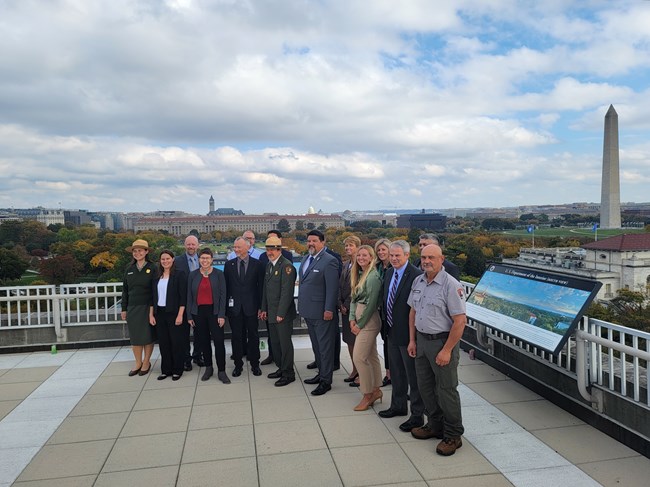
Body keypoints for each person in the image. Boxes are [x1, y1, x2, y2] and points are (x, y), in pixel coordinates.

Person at [407, 244, 467, 456]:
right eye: (423, 257)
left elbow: (460, 321)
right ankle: (434, 425)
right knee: (425, 387)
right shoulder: (418, 281)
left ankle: (453, 435)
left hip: (442, 343)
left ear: (442, 259)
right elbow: (413, 313)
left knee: (446, 390)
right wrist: (412, 341)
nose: (426, 261)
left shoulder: (451, 285)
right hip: (422, 341)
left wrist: (447, 350)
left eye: (431, 257)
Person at [378, 240, 425, 432]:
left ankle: (416, 416)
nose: (394, 258)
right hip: (391, 331)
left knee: (413, 378)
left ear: (407, 255)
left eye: (398, 255)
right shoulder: (389, 272)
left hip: (408, 335)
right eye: (391, 255)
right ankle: (397, 406)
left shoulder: (416, 276)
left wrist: (413, 338)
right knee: (396, 373)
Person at [298, 229, 339, 396]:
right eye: (309, 241)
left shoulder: (329, 261)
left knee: (325, 348)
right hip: (309, 311)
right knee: (316, 346)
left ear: (323, 242)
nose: (311, 244)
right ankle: (321, 374)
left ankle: (326, 381)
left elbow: (332, 288)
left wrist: (329, 309)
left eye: (314, 241)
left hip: (323, 313)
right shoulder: (306, 258)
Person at [187, 248, 230, 384]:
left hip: (215, 312)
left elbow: (223, 296)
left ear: (212, 260)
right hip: (198, 312)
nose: (204, 260)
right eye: (202, 258)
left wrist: (222, 314)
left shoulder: (219, 274)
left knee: (218, 341)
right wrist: (189, 316)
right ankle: (209, 368)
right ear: (199, 260)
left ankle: (221, 370)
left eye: (207, 258)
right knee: (204, 341)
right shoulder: (193, 275)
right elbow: (189, 296)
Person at [259, 235, 297, 386]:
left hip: (282, 315)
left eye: (273, 249)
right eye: (268, 249)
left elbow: (286, 293)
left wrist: (281, 313)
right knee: (275, 343)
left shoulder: (286, 267)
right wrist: (263, 309)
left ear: (279, 250)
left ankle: (289, 373)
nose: (270, 252)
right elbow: (265, 291)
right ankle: (281, 368)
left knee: (284, 344)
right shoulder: (269, 265)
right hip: (271, 313)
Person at [349, 245, 383, 411]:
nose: (361, 258)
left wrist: (359, 324)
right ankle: (376, 389)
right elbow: (353, 299)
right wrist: (351, 319)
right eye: (359, 255)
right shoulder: (359, 274)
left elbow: (371, 305)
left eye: (365, 255)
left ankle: (367, 393)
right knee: (371, 355)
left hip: (368, 321)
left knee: (359, 358)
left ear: (371, 257)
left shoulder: (373, 277)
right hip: (358, 317)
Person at [224, 236, 264, 377]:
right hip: (234, 309)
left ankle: (255, 364)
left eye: (238, 247)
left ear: (247, 247)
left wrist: (261, 307)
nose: (236, 250)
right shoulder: (229, 265)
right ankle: (238, 365)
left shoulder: (258, 265)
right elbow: (226, 288)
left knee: (253, 336)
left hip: (252, 307)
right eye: (234, 247)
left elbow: (260, 288)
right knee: (236, 337)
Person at [121, 239, 157, 377]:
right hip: (133, 307)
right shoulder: (129, 269)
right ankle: (138, 362)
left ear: (146, 252)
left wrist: (152, 311)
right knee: (135, 337)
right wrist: (124, 308)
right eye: (135, 251)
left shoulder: (153, 268)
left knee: (148, 336)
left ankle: (146, 362)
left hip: (148, 307)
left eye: (140, 250)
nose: (137, 253)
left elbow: (155, 291)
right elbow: (125, 290)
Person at [150, 250, 187, 381]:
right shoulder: (156, 276)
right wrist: (151, 314)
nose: (165, 261)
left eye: (168, 259)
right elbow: (152, 297)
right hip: (160, 313)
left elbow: (183, 297)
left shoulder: (179, 275)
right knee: (164, 343)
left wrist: (180, 315)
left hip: (174, 313)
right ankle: (166, 370)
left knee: (176, 342)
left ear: (173, 260)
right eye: (163, 259)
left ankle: (177, 369)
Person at [174, 235, 202, 371]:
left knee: (200, 331)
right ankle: (186, 358)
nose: (191, 247)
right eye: (188, 244)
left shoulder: (203, 260)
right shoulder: (177, 261)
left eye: (193, 244)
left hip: (200, 302)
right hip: (184, 302)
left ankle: (198, 355)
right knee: (184, 332)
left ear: (198, 246)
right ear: (185, 245)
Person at [339, 235, 361, 384]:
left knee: (358, 342)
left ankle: (360, 372)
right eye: (346, 246)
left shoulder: (361, 266)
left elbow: (356, 289)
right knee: (349, 341)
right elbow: (341, 286)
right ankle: (354, 369)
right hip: (344, 308)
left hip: (355, 310)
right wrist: (339, 303)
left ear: (358, 247)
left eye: (351, 245)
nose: (348, 248)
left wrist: (346, 304)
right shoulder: (346, 264)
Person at [374, 238, 392, 388]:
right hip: (379, 310)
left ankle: (395, 373)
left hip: (391, 312)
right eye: (378, 250)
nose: (381, 252)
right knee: (385, 342)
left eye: (383, 250)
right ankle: (388, 373)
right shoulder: (376, 267)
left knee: (392, 343)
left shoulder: (395, 267)